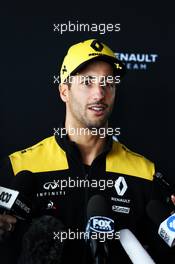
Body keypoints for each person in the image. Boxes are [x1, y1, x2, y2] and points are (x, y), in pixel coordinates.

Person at [0, 39, 174, 263]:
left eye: (108, 83)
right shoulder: (17, 168)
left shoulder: (145, 173)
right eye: (87, 82)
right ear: (64, 91)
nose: (99, 94)